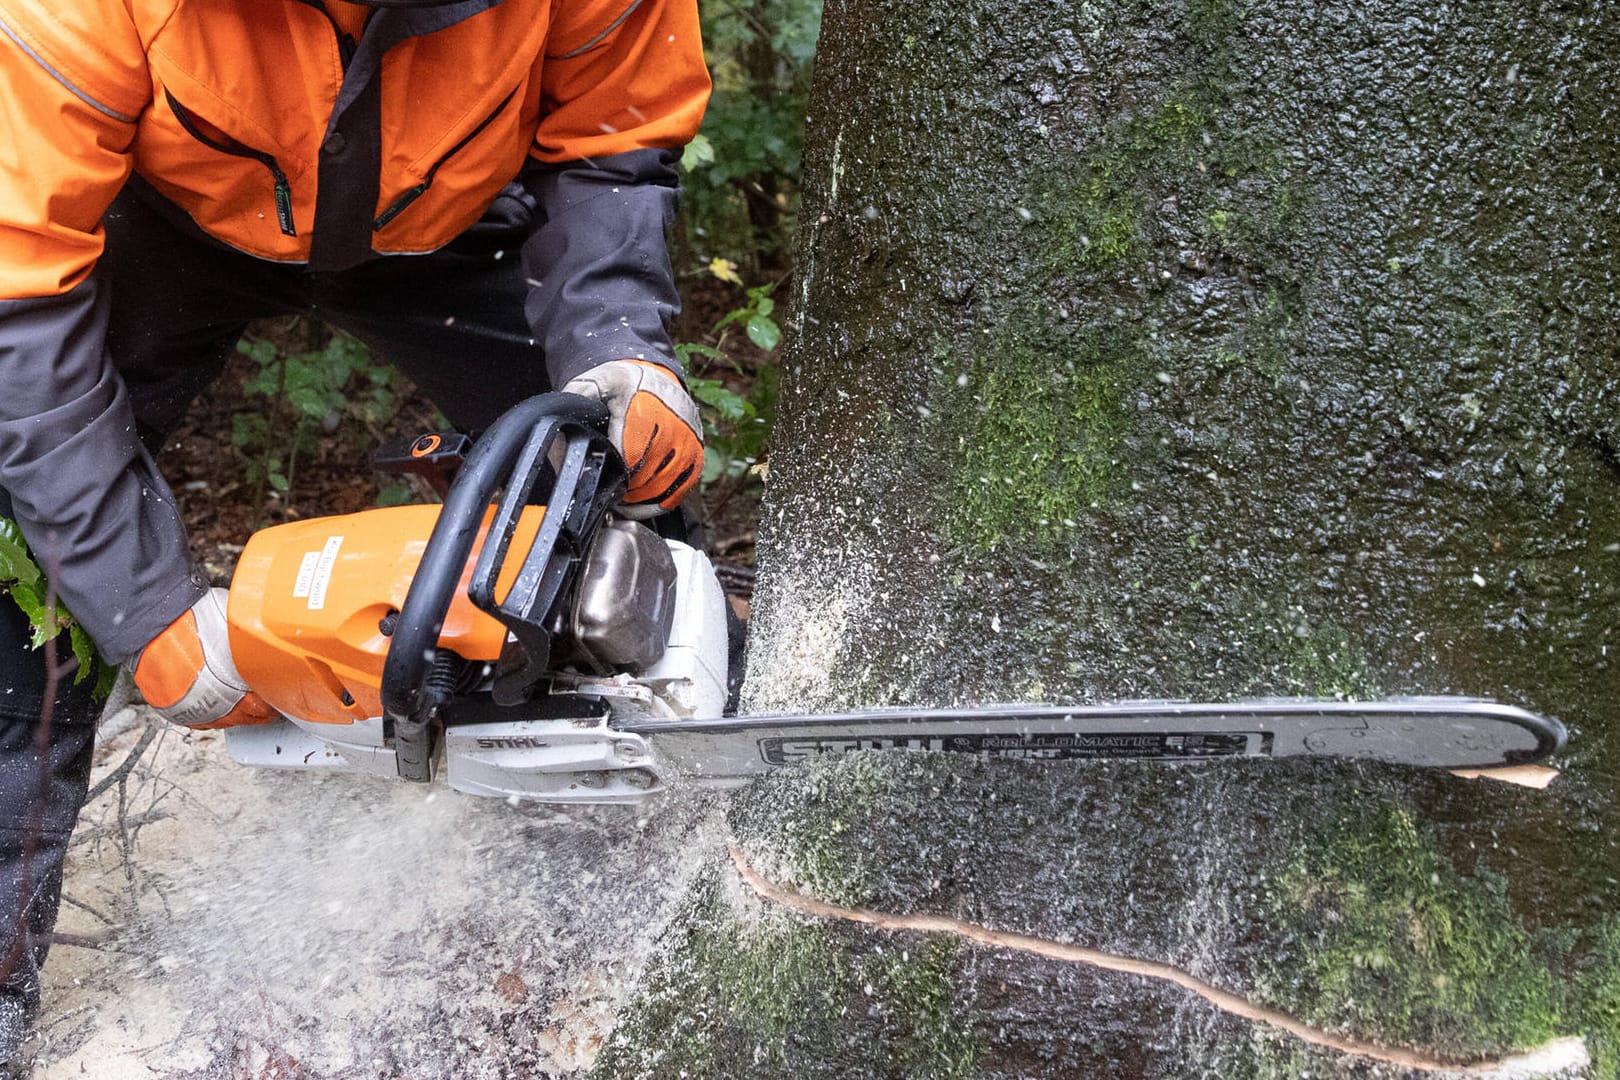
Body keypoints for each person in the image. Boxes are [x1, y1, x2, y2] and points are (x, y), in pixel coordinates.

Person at [0, 0, 710, 1060]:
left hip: (461, 216)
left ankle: (614, 895)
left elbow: (613, 141)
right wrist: (143, 606)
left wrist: (620, 339)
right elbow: (19, 307)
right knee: (20, 570)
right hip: (160, 210)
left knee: (609, 490)